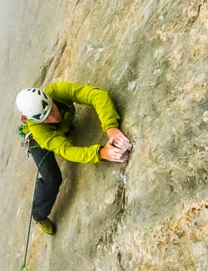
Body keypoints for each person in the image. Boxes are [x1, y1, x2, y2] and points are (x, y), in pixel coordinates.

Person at [15, 82, 132, 235]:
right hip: (37, 141)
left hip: (57, 130)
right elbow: (66, 151)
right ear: (37, 121)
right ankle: (38, 214)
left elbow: (96, 95)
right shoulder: (40, 132)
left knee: (63, 126)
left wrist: (111, 128)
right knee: (53, 179)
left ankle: (64, 129)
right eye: (46, 118)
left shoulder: (57, 91)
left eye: (52, 109)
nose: (54, 116)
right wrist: (100, 153)